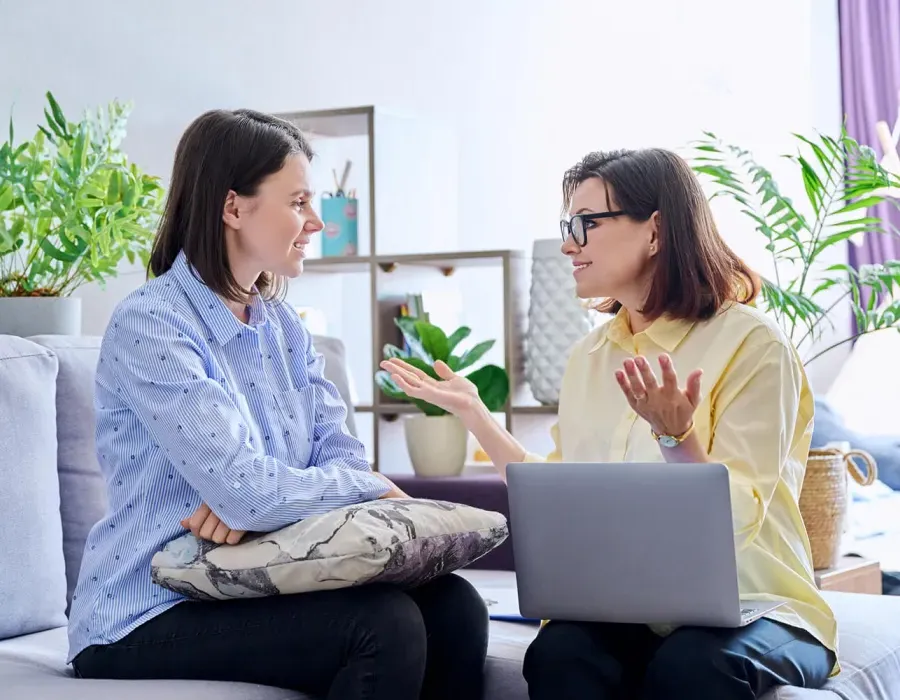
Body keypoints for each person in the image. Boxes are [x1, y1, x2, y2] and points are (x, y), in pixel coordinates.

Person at [382, 148, 839, 699]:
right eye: (565, 226)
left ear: (655, 231)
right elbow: (558, 490)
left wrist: (677, 437)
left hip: (760, 606)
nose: (569, 244)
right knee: (559, 654)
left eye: (586, 224)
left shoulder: (752, 344)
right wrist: (474, 413)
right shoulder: (591, 356)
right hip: (632, 608)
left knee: (692, 667)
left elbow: (735, 519)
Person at [67, 109, 489, 700]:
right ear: (233, 207)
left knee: (456, 606)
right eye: (297, 202)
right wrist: (352, 488)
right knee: (382, 626)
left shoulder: (283, 327)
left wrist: (264, 501)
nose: (315, 221)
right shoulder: (152, 323)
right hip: (149, 608)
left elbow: (325, 462)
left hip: (254, 576)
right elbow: (254, 492)